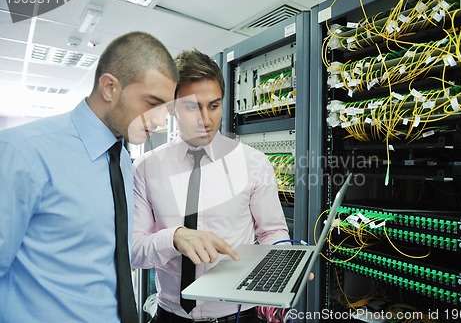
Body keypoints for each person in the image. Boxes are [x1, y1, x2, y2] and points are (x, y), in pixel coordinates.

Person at [0, 31, 179, 322]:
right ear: (110, 88)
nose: (160, 122)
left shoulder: (120, 158)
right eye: (152, 103)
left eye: (166, 109)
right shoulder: (21, 153)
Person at [131, 49, 290, 323]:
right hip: (170, 316)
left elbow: (272, 232)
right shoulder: (146, 168)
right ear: (172, 107)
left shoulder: (253, 163)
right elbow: (133, 251)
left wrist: (285, 265)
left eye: (213, 106)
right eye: (192, 106)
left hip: (239, 315)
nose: (205, 120)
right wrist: (174, 238)